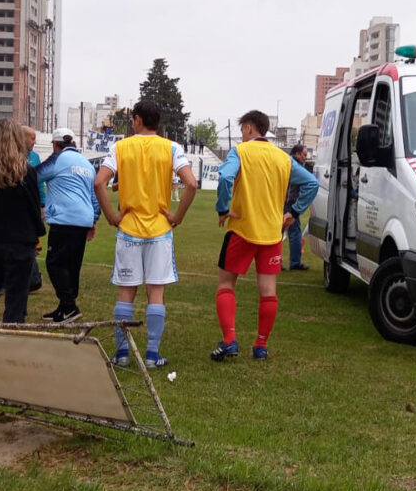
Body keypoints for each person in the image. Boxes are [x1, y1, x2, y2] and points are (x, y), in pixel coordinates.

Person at [94, 100, 198, 369]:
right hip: (160, 232)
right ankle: (152, 355)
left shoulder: (120, 146)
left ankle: (122, 353)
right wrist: (177, 217)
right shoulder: (171, 147)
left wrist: (111, 216)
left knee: (125, 294)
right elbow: (191, 183)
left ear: (138, 119)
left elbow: (99, 182)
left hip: (128, 229)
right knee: (156, 293)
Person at [211, 110, 318, 361]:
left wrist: (223, 208)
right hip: (271, 234)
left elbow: (226, 177)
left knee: (226, 284)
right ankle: (260, 346)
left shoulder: (240, 151)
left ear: (249, 128)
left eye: (242, 130)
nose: (241, 134)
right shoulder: (283, 158)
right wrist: (293, 212)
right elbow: (311, 183)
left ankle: (230, 341)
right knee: (268, 291)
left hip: (242, 229)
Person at [0, 119, 46, 323]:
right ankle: (11, 336)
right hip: (19, 241)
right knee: (16, 297)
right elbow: (34, 208)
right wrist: (37, 236)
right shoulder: (26, 171)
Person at [36, 127, 100, 323]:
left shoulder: (57, 159)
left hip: (64, 219)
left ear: (55, 145)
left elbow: (34, 176)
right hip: (84, 219)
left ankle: (70, 307)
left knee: (54, 262)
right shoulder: (87, 164)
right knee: (72, 265)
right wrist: (93, 220)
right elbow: (94, 197)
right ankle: (64, 308)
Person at [22, 125, 45, 293]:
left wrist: (42, 204)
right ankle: (32, 279)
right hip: (17, 207)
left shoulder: (35, 157)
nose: (35, 141)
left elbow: (39, 184)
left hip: (32, 206)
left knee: (30, 244)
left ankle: (32, 279)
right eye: (32, 138)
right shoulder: (11, 156)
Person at [283, 144, 310, 271]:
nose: (306, 158)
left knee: (279, 233)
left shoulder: (287, 163)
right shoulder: (294, 166)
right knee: (294, 233)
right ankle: (294, 262)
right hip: (290, 205)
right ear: (297, 154)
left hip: (283, 203)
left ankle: (275, 262)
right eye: (304, 155)